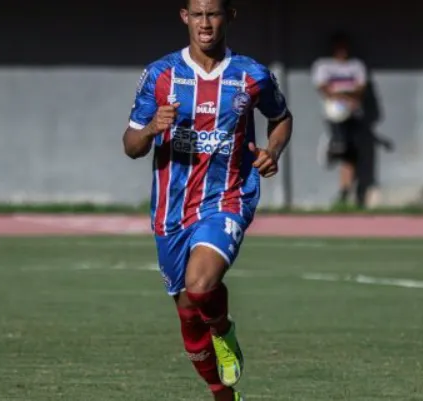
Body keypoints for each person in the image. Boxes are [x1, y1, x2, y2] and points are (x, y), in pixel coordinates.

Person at [122, 1, 293, 399]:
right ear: (184, 17)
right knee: (187, 315)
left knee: (201, 287)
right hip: (171, 210)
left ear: (229, 16)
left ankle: (224, 329)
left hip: (228, 196)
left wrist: (273, 151)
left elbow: (281, 117)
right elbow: (130, 145)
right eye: (197, 14)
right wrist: (150, 129)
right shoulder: (160, 75)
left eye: (213, 14)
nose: (205, 23)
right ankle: (223, 395)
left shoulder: (252, 75)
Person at [311, 31, 369, 207]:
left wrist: (342, 94)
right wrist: (344, 95)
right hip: (333, 116)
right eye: (339, 47)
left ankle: (345, 192)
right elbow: (323, 87)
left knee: (350, 155)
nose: (342, 51)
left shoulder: (356, 66)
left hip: (353, 115)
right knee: (341, 147)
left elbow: (360, 88)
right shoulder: (323, 65)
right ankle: (331, 144)